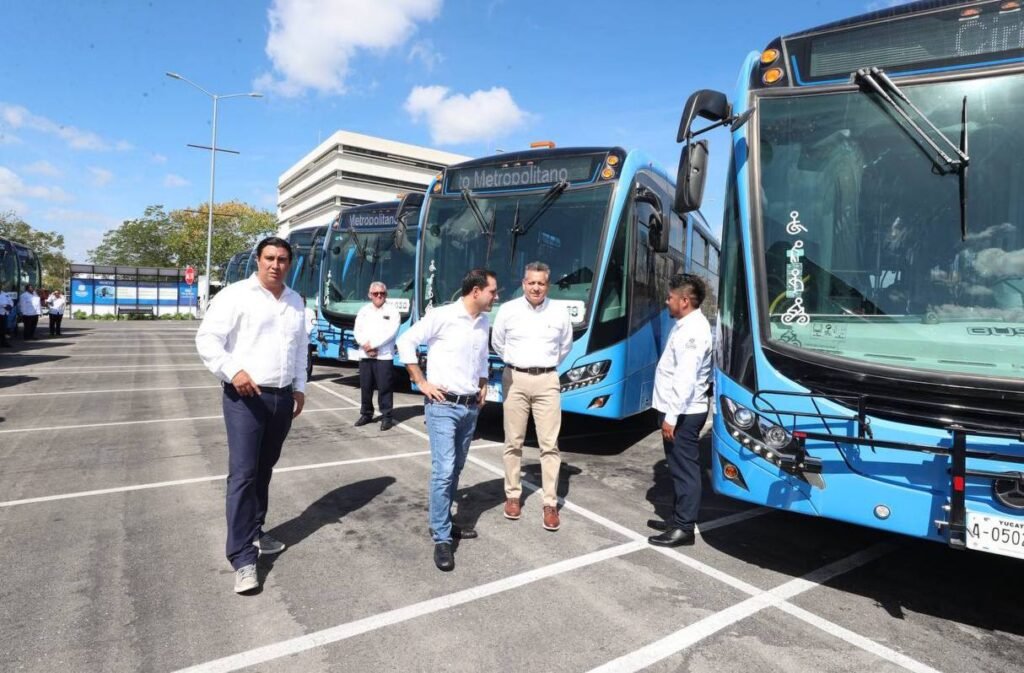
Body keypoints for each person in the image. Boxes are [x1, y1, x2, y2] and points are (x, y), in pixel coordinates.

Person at [195, 236, 308, 594]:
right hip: (245, 396)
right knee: (243, 474)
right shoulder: (235, 295)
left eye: (282, 259)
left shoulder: (295, 301)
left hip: (281, 397)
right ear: (258, 260)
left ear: (290, 263)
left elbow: (300, 347)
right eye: (269, 258)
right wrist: (233, 371)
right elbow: (207, 339)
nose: (276, 265)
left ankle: (255, 530)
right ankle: (243, 558)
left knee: (264, 469)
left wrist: (300, 387)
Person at [397, 268, 497, 572]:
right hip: (442, 406)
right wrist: (421, 382)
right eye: (493, 291)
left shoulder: (483, 322)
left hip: (470, 407)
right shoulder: (442, 316)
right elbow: (405, 341)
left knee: (456, 468)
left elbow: (482, 358)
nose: (495, 297)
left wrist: (483, 383)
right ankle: (441, 537)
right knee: (443, 471)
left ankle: (443, 521)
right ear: (476, 291)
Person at [491, 261, 572, 531]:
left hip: (547, 380)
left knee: (549, 445)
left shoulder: (559, 312)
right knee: (513, 441)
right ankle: (513, 496)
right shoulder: (508, 310)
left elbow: (565, 346)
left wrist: (544, 365)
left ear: (548, 285)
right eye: (531, 282)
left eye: (541, 283)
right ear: (523, 283)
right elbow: (498, 342)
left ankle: (550, 503)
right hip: (515, 379)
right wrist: (516, 361)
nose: (536, 287)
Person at [648, 273, 713, 547]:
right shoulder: (685, 325)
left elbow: (685, 379)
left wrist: (671, 417)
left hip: (684, 412)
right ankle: (677, 519)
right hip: (679, 410)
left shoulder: (692, 332)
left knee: (685, 470)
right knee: (678, 468)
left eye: (670, 297)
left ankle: (684, 528)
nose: (667, 301)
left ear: (684, 301)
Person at [353, 281, 400, 431]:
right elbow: (357, 331)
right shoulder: (363, 311)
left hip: (383, 355)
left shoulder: (393, 311)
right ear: (370, 295)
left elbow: (391, 332)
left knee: (385, 387)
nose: (379, 296)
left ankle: (387, 417)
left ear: (386, 294)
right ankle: (366, 414)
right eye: (375, 293)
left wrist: (373, 345)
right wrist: (366, 346)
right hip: (365, 354)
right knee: (365, 387)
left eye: (382, 293)